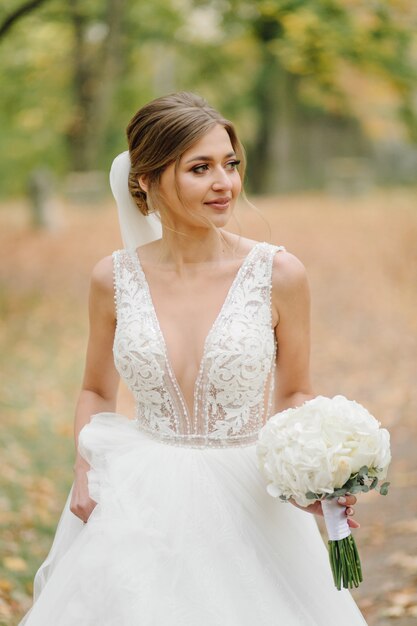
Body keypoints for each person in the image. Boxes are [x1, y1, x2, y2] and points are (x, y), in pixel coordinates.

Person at [20, 91, 366, 625]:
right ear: (147, 179)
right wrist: (84, 467)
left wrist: (314, 473)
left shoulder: (279, 274)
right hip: (140, 502)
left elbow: (295, 389)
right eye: (200, 168)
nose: (224, 183)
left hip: (251, 502)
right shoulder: (110, 278)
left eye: (230, 164)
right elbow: (95, 388)